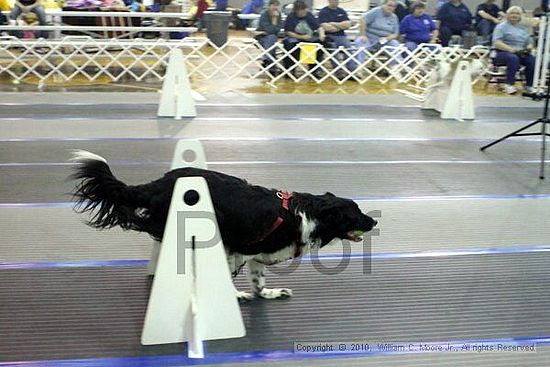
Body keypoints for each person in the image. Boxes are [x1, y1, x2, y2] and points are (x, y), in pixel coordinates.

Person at [492, 6, 535, 94]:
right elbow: (497, 43)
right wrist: (511, 49)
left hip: (520, 52)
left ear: (521, 16)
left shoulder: (523, 28)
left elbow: (529, 42)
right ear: (507, 15)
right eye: (512, 13)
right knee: (513, 58)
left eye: (517, 13)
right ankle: (509, 85)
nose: (514, 15)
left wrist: (529, 47)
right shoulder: (501, 27)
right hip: (502, 52)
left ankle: (529, 86)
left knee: (532, 60)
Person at [282, 0, 326, 77]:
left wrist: (322, 35)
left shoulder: (309, 15)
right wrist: (301, 37)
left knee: (318, 45)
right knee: (290, 45)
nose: (305, 11)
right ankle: (290, 69)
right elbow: (288, 32)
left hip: (308, 38)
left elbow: (319, 27)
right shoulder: (291, 17)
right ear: (297, 10)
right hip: (295, 37)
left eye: (305, 9)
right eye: (302, 10)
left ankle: (313, 69)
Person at [355, 0, 401, 65]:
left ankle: (395, 67)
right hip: (369, 38)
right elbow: (362, 20)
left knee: (395, 43)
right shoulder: (375, 11)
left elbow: (395, 34)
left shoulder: (394, 17)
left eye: (393, 6)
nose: (391, 8)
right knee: (361, 42)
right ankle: (359, 67)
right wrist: (363, 35)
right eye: (389, 5)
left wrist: (387, 38)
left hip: (384, 40)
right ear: (383, 5)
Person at [318, 0, 355, 75]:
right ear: (329, 1)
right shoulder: (323, 12)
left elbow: (348, 25)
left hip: (341, 36)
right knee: (333, 50)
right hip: (329, 36)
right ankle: (339, 71)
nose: (336, 2)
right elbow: (326, 27)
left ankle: (352, 71)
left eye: (337, 0)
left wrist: (333, 23)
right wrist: (340, 26)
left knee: (349, 48)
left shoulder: (342, 11)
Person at [256, 0, 283, 73]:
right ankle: (270, 64)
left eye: (277, 6)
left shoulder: (279, 15)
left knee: (272, 39)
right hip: (261, 38)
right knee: (272, 39)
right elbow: (270, 29)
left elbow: (278, 29)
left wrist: (270, 31)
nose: (275, 7)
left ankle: (266, 60)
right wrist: (274, 20)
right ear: (269, 6)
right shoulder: (264, 15)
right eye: (273, 5)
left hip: (272, 39)